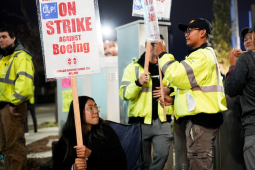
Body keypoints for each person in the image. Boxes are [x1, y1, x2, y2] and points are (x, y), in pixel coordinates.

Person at [154, 18, 227, 170]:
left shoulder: (202, 55)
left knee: (199, 164)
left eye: (190, 30)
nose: (186, 34)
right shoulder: (201, 55)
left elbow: (178, 75)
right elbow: (192, 89)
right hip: (199, 121)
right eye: (185, 31)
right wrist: (173, 99)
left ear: (202, 32)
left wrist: (162, 55)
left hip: (200, 123)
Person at [119, 35, 174, 170]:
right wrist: (138, 83)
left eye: (160, 43)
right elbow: (124, 94)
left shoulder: (169, 66)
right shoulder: (134, 68)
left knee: (162, 155)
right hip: (139, 123)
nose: (157, 46)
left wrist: (170, 90)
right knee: (143, 162)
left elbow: (180, 89)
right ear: (147, 46)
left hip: (163, 121)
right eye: (154, 44)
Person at [52, 96, 125, 170]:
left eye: (96, 107)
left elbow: (117, 161)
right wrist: (73, 168)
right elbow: (57, 166)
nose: (96, 111)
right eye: (90, 108)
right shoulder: (68, 137)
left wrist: (90, 154)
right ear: (78, 112)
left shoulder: (105, 132)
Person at [0, 25, 34, 170]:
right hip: (4, 107)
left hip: (13, 106)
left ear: (13, 38)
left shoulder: (21, 56)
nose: (0, 40)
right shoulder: (4, 57)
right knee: (5, 148)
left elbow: (25, 84)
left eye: (4, 37)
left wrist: (14, 104)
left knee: (15, 147)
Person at [224, 24, 255, 170]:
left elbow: (231, 89)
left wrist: (232, 66)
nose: (247, 41)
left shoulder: (246, 59)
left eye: (251, 37)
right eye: (245, 39)